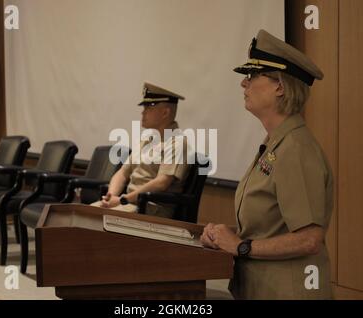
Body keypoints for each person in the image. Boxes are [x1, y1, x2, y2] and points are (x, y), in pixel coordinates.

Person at [200, 30, 333, 299]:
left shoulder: (295, 148)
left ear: (280, 87)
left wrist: (241, 246)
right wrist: (226, 237)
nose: (243, 84)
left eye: (252, 76)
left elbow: (309, 239)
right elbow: (270, 230)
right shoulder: (277, 143)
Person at [91, 82, 191, 218]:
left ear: (165, 112)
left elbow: (162, 183)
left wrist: (122, 199)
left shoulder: (177, 142)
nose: (143, 112)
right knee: (86, 213)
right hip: (129, 203)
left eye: (149, 107)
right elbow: (123, 173)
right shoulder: (147, 139)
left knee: (97, 219)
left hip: (151, 208)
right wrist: (111, 196)